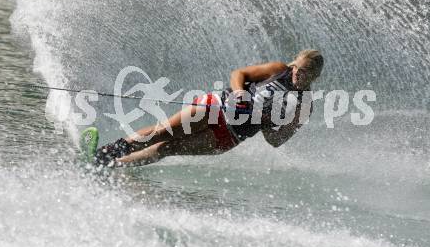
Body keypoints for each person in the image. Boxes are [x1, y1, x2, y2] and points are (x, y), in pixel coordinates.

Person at [94, 50, 324, 167]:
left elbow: (277, 140)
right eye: (299, 69)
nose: (299, 75)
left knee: (167, 149)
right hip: (218, 107)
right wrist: (240, 93)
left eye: (307, 74)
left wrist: (266, 124)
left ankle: (115, 166)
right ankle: (106, 154)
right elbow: (239, 74)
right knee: (163, 131)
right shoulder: (278, 69)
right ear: (295, 64)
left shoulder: (304, 106)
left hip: (232, 135)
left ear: (315, 77)